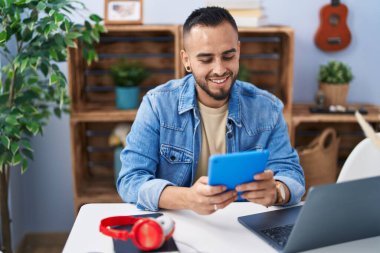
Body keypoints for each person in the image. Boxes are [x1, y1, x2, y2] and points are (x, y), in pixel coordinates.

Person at [117, 6, 305, 215]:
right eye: (206, 59)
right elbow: (130, 179)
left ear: (238, 51)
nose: (219, 69)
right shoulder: (157, 105)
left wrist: (277, 191)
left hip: (243, 229)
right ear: (186, 60)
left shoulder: (267, 108)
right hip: (179, 224)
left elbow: (292, 175)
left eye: (228, 56)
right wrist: (187, 198)